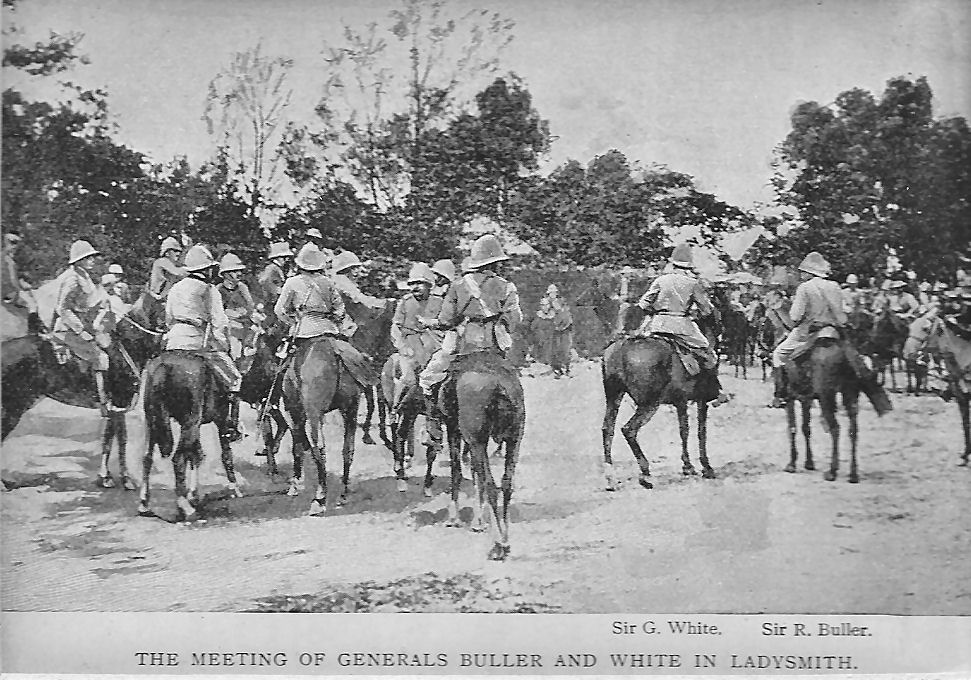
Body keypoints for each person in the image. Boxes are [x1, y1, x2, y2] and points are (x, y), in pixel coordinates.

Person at [418, 235, 523, 452]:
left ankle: (433, 426)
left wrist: (431, 323)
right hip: (495, 346)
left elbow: (446, 321)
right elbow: (515, 319)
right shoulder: (507, 286)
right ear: (495, 263)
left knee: (428, 377)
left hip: (464, 345)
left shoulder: (458, 286)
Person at [770, 251, 887, 411]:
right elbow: (842, 314)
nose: (801, 274)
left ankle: (780, 395)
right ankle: (876, 396)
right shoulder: (834, 286)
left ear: (809, 272)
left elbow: (795, 316)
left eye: (803, 272)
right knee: (857, 357)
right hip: (833, 330)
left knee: (778, 354)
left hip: (809, 331)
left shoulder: (804, 287)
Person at [635, 243, 731, 407]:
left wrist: (656, 311)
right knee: (708, 353)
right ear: (688, 267)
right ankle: (712, 392)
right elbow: (706, 309)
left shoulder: (660, 280)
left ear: (672, 264)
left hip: (656, 324)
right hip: (681, 325)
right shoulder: (692, 283)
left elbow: (643, 304)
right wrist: (695, 313)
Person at [164, 245, 243, 441]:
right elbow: (220, 323)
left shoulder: (175, 288)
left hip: (173, 342)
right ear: (207, 270)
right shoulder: (209, 289)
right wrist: (224, 345)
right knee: (235, 378)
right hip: (197, 342)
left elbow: (168, 319)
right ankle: (230, 425)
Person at [52, 240, 111, 415]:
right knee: (100, 357)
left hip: (82, 326)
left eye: (92, 257)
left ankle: (91, 394)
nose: (92, 260)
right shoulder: (72, 279)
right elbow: (62, 308)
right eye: (88, 257)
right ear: (78, 260)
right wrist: (80, 330)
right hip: (67, 329)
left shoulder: (84, 276)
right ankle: (102, 401)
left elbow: (91, 302)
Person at [274, 243, 354, 352]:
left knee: (284, 358)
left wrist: (293, 321)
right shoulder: (328, 282)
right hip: (329, 329)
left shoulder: (292, 282)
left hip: (304, 331)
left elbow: (279, 310)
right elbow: (339, 309)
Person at [390, 262, 439, 407]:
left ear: (429, 285)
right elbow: (395, 327)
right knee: (408, 378)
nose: (415, 287)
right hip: (410, 344)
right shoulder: (405, 302)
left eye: (420, 283)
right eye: (412, 284)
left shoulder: (439, 301)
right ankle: (396, 408)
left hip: (432, 344)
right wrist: (402, 347)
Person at [217, 253, 258, 368]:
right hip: (229, 328)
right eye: (235, 271)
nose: (239, 273)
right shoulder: (219, 289)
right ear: (225, 274)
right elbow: (218, 312)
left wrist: (247, 313)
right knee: (234, 350)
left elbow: (250, 305)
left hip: (245, 326)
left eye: (240, 270)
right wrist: (232, 313)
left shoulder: (242, 287)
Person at [2, 231, 35, 311]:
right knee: (33, 305)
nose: (15, 246)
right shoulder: (7, 259)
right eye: (13, 243)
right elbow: (13, 280)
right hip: (9, 292)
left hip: (13, 291)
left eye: (17, 243)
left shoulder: (12, 259)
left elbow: (17, 278)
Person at [258, 242, 293, 313]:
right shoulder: (271, 268)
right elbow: (264, 281)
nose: (286, 259)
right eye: (284, 257)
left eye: (287, 257)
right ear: (277, 258)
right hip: (272, 302)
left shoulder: (279, 268)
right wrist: (277, 291)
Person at [149, 236, 187, 300]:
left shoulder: (173, 263)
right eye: (175, 251)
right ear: (166, 253)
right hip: (154, 296)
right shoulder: (162, 261)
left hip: (162, 296)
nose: (178, 253)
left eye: (179, 251)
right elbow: (178, 272)